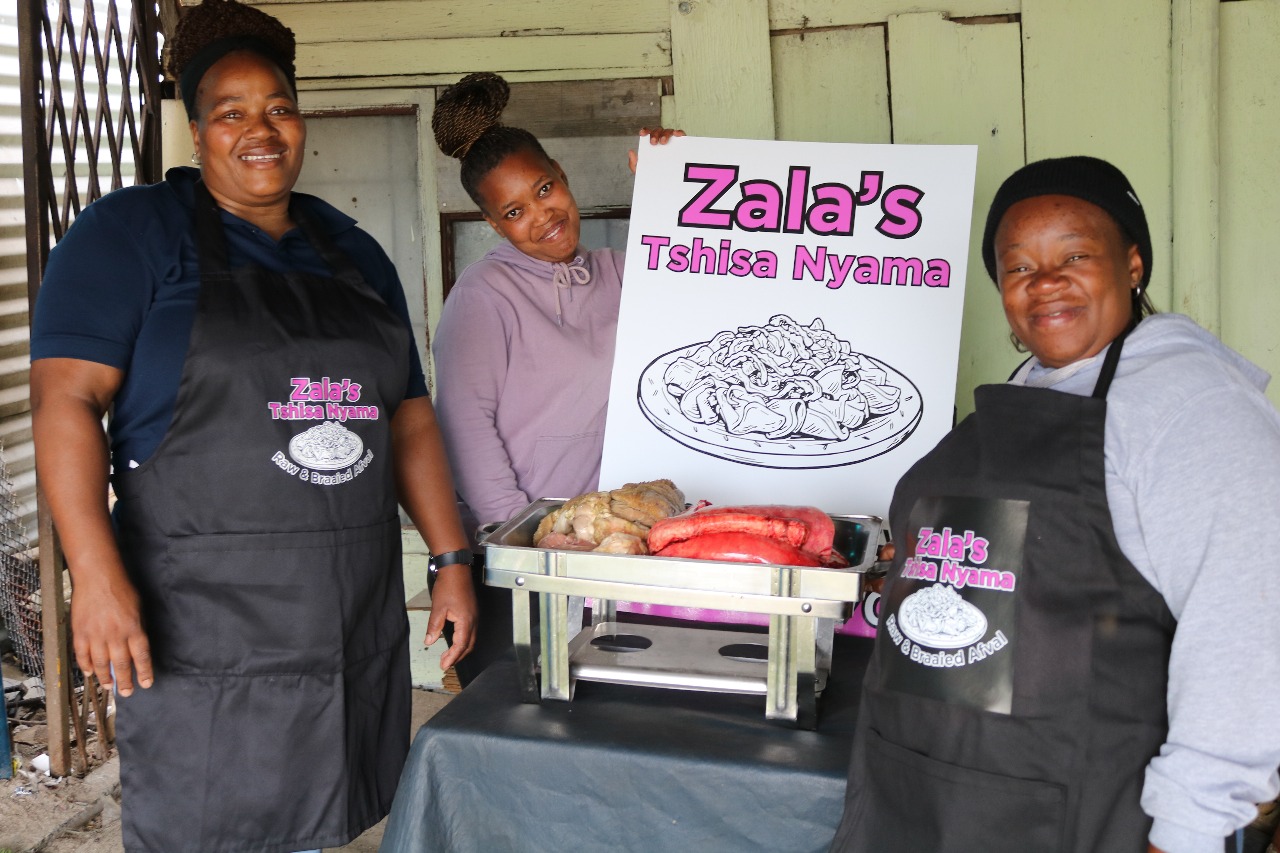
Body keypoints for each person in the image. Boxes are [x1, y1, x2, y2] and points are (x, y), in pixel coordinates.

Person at [29, 1, 476, 850]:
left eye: (278, 108)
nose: (259, 130)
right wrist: (94, 571)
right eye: (230, 112)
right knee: (208, 818)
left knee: (321, 822)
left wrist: (450, 556)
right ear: (197, 132)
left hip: (346, 607)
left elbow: (407, 413)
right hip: (202, 618)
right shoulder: (129, 235)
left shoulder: (354, 252)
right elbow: (64, 402)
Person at [829, 156, 1280, 853]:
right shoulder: (1031, 388)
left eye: (1075, 255)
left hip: (1083, 816)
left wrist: (1189, 831)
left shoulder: (1194, 408)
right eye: (1019, 266)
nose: (1044, 282)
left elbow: (1247, 633)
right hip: (929, 796)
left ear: (1133, 264)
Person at [429, 72, 678, 681]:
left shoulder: (618, 273)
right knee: (525, 713)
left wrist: (672, 184)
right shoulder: (485, 295)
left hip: (610, 553)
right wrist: (528, 542)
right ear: (494, 224)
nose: (542, 216)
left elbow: (701, 284)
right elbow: (465, 427)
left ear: (562, 175)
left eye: (545, 189)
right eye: (515, 211)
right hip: (522, 560)